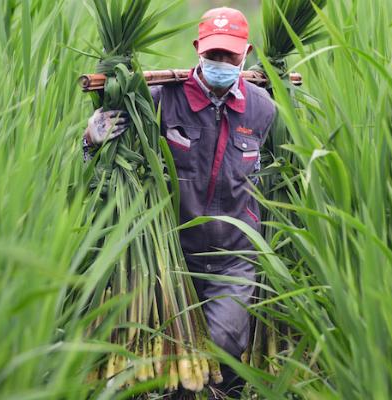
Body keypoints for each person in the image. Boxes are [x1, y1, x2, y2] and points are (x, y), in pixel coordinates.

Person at [84, 7, 276, 398]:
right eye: (213, 55)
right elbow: (112, 167)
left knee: (223, 345)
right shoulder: (159, 100)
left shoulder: (262, 108)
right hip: (172, 254)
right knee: (175, 361)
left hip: (233, 256)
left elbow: (275, 169)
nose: (220, 63)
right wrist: (91, 140)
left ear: (246, 53)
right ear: (197, 50)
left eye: (229, 56)